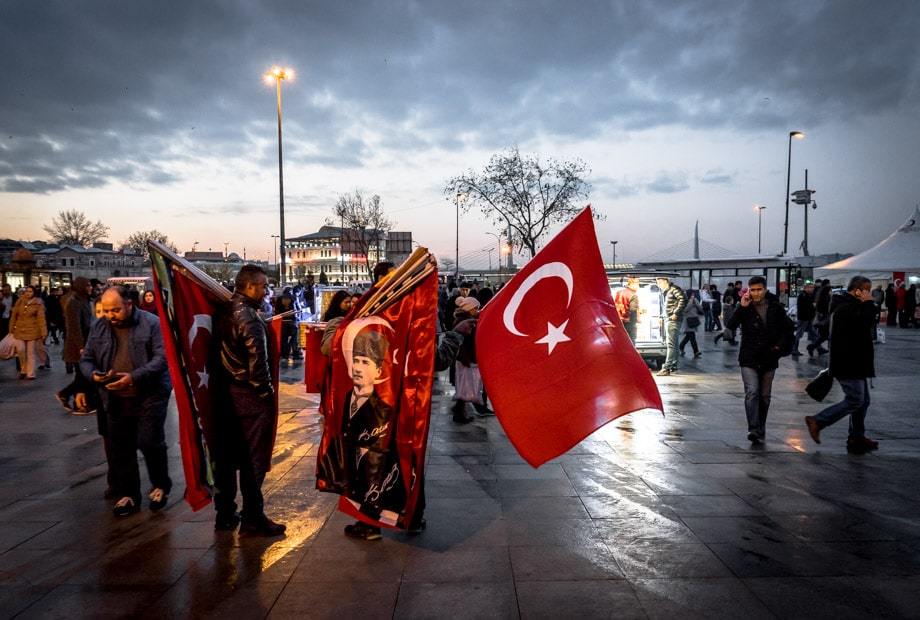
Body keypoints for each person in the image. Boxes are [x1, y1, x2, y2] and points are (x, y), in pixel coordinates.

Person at [80, 287, 172, 516]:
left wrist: (134, 377)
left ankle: (160, 484)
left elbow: (162, 358)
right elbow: (87, 358)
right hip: (113, 396)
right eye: (107, 310)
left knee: (150, 441)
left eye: (116, 310)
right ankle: (128, 494)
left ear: (129, 304)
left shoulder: (151, 323)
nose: (111, 315)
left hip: (149, 393)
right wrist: (93, 375)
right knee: (120, 447)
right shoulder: (100, 326)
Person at [213, 265, 286, 536]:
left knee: (229, 459)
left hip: (228, 395)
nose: (266, 291)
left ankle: (226, 512)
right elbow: (258, 360)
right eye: (264, 286)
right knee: (253, 460)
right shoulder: (249, 318)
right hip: (250, 397)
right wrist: (265, 392)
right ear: (250, 286)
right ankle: (253, 516)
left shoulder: (223, 310)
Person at [805, 276, 879, 454]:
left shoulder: (850, 306)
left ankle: (856, 437)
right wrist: (869, 304)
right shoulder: (846, 308)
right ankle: (819, 421)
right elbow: (865, 323)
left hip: (855, 362)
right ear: (858, 291)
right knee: (855, 400)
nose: (869, 294)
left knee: (863, 401)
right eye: (867, 290)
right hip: (848, 363)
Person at [726, 276, 793, 444]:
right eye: (753, 290)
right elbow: (730, 326)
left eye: (759, 289)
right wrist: (741, 307)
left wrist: (779, 347)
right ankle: (753, 428)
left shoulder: (775, 307)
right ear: (749, 290)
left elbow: (787, 329)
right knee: (752, 392)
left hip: (769, 357)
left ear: (765, 289)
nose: (756, 293)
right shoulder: (745, 307)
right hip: (749, 357)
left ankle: (761, 425)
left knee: (764, 396)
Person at [9, 285, 47, 380]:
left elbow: (41, 319)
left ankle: (30, 373)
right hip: (19, 330)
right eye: (27, 291)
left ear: (34, 293)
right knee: (21, 350)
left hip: (33, 330)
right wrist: (11, 328)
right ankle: (23, 369)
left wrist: (43, 332)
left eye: (30, 291)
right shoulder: (20, 301)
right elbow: (14, 315)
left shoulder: (38, 303)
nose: (28, 293)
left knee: (30, 353)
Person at [655, 276, 686, 376]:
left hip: (673, 320)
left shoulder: (674, 289)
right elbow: (666, 307)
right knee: (674, 344)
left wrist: (675, 313)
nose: (658, 284)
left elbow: (683, 299)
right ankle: (673, 365)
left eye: (659, 282)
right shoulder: (667, 291)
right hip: (670, 319)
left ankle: (666, 368)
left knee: (671, 344)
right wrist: (662, 316)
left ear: (665, 281)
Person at [791, 282, 816, 357]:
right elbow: (805, 308)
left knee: (814, 334)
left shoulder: (807, 295)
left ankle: (818, 347)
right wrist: (813, 306)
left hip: (807, 318)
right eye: (810, 287)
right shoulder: (803, 295)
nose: (812, 289)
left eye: (812, 287)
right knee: (799, 334)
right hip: (804, 318)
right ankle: (794, 349)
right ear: (806, 288)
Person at [614, 278, 640, 343]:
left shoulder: (618, 293)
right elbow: (633, 311)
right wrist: (634, 324)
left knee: (621, 344)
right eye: (637, 284)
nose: (638, 286)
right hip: (628, 324)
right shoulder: (633, 295)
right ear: (631, 284)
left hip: (618, 324)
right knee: (630, 345)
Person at [678, 290, 703, 358]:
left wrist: (696, 303)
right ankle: (696, 351)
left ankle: (681, 346)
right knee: (692, 336)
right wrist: (691, 302)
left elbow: (700, 308)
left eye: (693, 294)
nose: (693, 295)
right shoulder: (684, 301)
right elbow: (685, 310)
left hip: (694, 320)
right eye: (692, 294)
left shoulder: (695, 300)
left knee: (689, 337)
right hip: (688, 321)